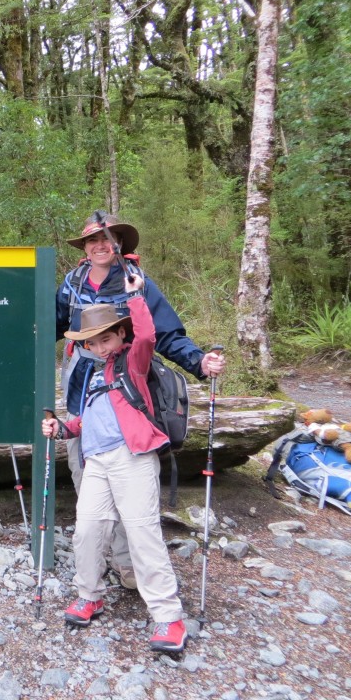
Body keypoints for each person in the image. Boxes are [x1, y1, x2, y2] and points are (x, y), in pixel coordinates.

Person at [56, 212, 226, 588]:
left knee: (128, 479)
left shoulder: (138, 283)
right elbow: (47, 329)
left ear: (120, 244)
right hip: (81, 390)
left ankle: (129, 562)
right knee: (87, 477)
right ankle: (93, 565)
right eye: (92, 241)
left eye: (108, 239)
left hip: (127, 391)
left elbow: (164, 335)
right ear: (84, 248)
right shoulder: (72, 283)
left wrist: (199, 361)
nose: (100, 246)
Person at [43, 273, 189, 653]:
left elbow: (146, 336)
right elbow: (86, 421)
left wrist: (136, 296)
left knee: (142, 535)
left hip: (133, 458)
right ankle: (90, 594)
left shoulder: (134, 363)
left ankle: (168, 618)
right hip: (97, 464)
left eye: (106, 338)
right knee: (87, 531)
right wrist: (61, 428)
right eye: (92, 341)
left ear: (120, 336)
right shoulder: (91, 375)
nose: (99, 346)